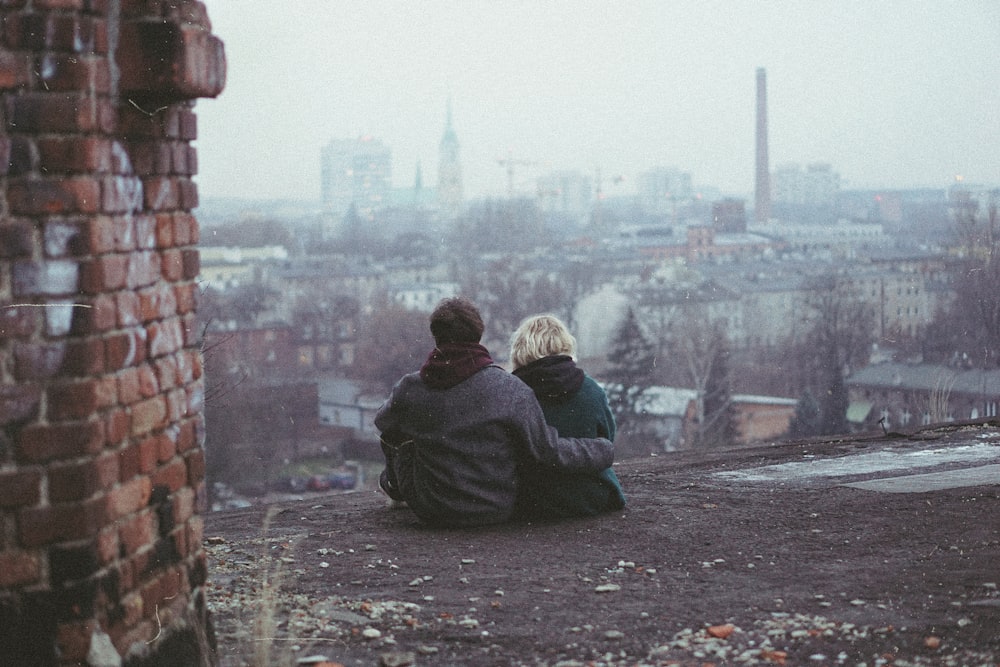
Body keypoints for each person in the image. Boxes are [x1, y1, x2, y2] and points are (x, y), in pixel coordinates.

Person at [375, 297, 615, 527]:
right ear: (479, 334)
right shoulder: (510, 389)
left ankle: (395, 490)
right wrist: (600, 450)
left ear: (436, 336)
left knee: (397, 432)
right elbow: (546, 450)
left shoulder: (411, 387)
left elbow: (383, 423)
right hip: (494, 507)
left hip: (430, 508)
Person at [509, 314, 626, 518]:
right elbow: (607, 437)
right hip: (591, 496)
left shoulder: (512, 392)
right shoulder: (591, 389)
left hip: (533, 501)